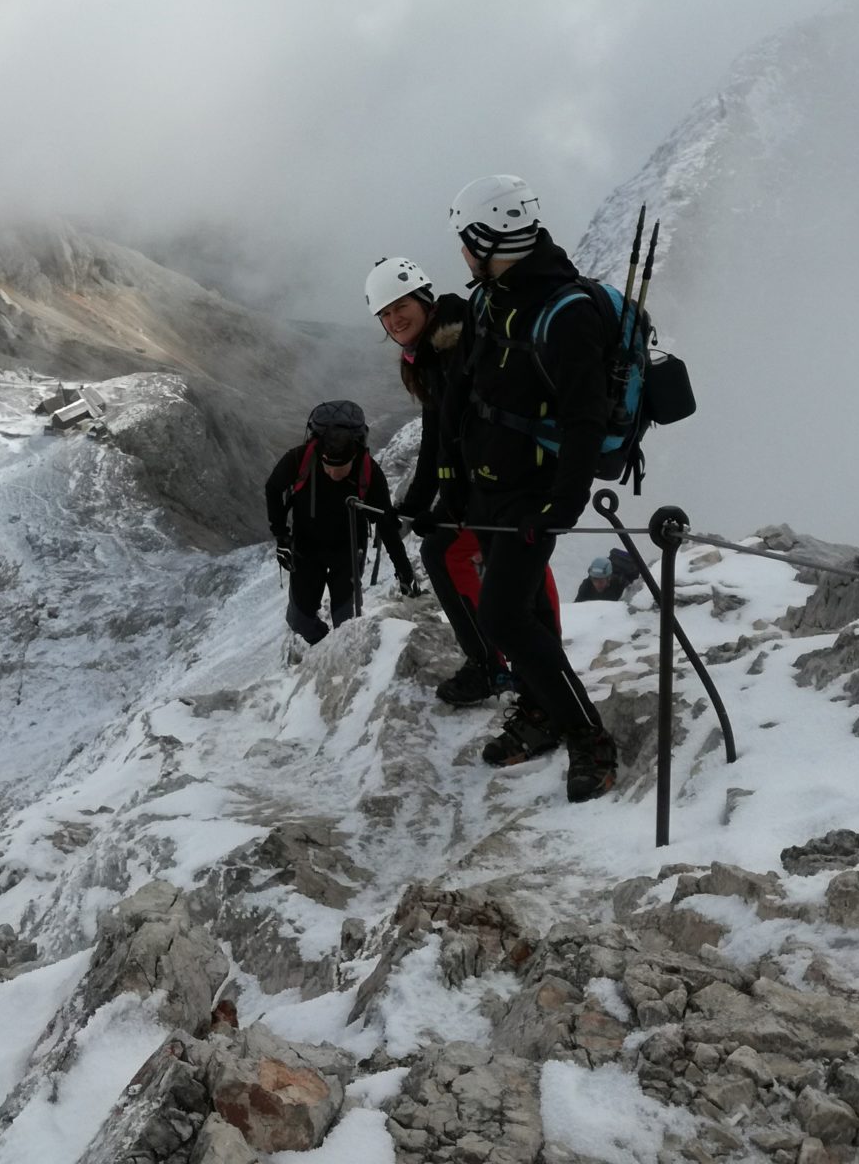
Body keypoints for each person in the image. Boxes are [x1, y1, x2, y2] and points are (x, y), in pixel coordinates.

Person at [450, 174, 622, 801]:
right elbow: (471, 393)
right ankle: (545, 710)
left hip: (534, 495)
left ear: (488, 239)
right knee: (522, 616)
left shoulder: (565, 313)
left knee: (501, 617)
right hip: (490, 489)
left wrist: (560, 508)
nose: (462, 255)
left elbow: (585, 419)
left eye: (466, 243)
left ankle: (589, 738)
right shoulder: (489, 299)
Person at [364, 256, 561, 712]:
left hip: (510, 478)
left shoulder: (456, 342)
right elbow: (439, 433)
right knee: (444, 552)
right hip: (487, 480)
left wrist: (446, 500)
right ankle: (494, 663)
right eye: (385, 314)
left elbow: (458, 432)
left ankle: (530, 669)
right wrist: (416, 505)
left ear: (423, 299)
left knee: (498, 564)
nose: (394, 319)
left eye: (401, 306)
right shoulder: (433, 349)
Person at [266, 400, 415, 645]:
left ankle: (339, 651)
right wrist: (281, 537)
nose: (334, 474)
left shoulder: (369, 471)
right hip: (306, 548)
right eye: (328, 467)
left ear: (355, 454)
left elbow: (386, 523)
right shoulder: (300, 458)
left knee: (346, 623)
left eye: (342, 469)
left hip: (348, 552)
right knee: (299, 620)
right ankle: (326, 647)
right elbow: (273, 489)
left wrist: (404, 572)